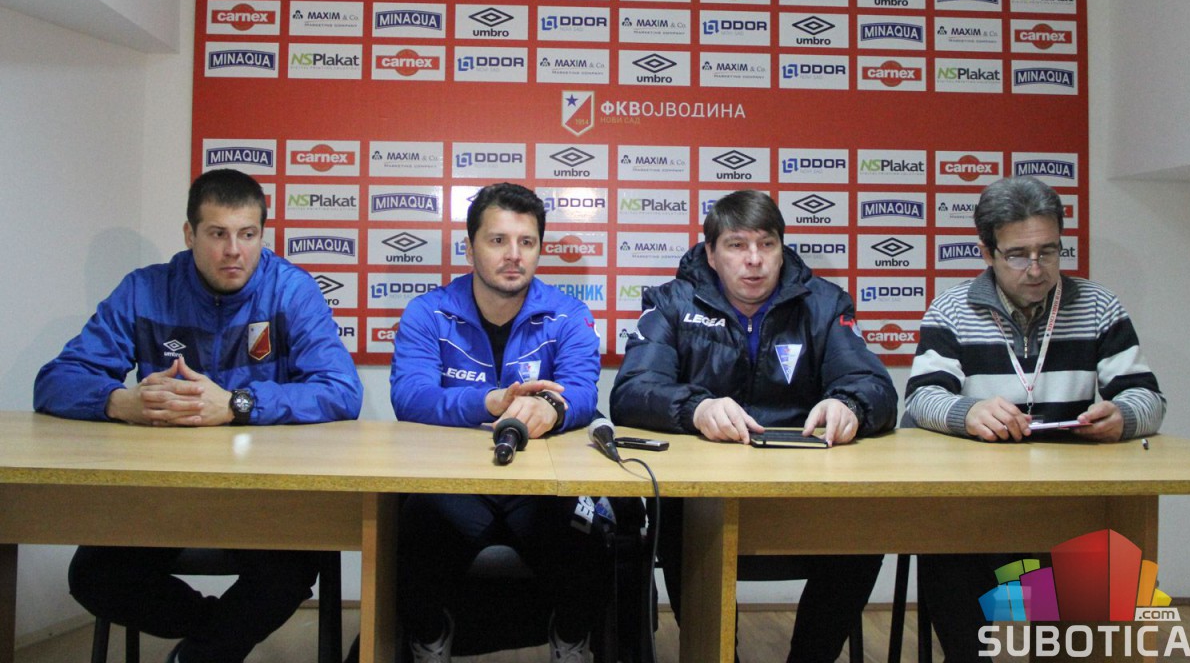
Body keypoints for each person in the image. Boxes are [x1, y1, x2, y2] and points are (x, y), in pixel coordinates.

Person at [34, 168, 363, 663]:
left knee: (293, 569)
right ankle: (215, 640)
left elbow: (341, 390)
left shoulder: (290, 291)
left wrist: (235, 405)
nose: (234, 251)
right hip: (165, 490)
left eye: (247, 234)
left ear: (263, 234)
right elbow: (55, 380)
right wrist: (120, 402)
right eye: (217, 234)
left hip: (262, 491)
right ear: (190, 235)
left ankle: (197, 656)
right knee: (93, 575)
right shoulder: (144, 290)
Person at [611, 189, 898, 663]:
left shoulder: (824, 304)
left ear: (782, 249)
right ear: (711, 253)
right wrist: (696, 408)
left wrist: (849, 404)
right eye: (737, 245)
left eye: (767, 244)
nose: (754, 260)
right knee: (679, 521)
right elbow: (631, 392)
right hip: (703, 499)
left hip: (803, 495)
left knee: (862, 532)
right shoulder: (671, 302)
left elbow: (876, 387)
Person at [904, 175, 1165, 661]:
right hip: (975, 504)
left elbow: (1148, 398)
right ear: (987, 253)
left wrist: (1123, 416)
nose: (1037, 268)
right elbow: (921, 398)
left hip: (1069, 503)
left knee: (1090, 594)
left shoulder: (1098, 306)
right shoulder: (953, 309)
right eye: (1018, 255)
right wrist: (968, 412)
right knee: (949, 558)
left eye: (1048, 251)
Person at [390, 182, 604, 663]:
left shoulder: (568, 314)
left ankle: (570, 639)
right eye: (498, 240)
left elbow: (584, 392)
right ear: (470, 249)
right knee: (409, 537)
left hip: (542, 487)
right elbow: (409, 397)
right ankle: (430, 638)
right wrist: (488, 402)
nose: (513, 255)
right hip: (453, 486)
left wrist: (554, 410)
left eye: (527, 242)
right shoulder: (428, 312)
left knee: (590, 541)